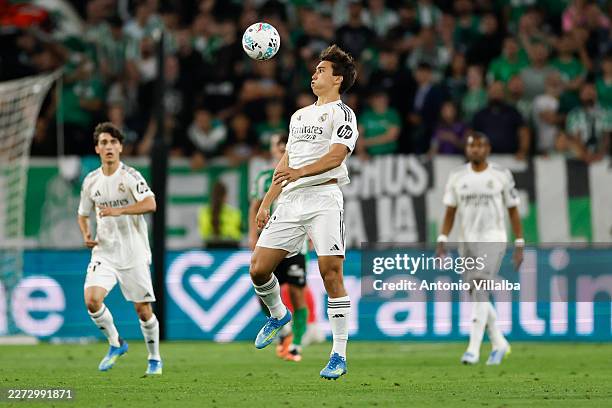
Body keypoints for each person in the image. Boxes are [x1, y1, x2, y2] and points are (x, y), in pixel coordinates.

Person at [249, 44, 358, 380]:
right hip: (291, 200)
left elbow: (336, 156)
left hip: (324, 197)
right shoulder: (298, 116)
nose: (314, 74)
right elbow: (285, 163)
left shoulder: (343, 114)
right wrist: (267, 201)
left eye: (322, 70)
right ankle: (278, 314)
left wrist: (301, 172)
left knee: (330, 273)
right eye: (315, 69)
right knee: (258, 269)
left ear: (337, 79)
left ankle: (338, 354)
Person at [77, 122, 161, 375]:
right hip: (104, 251)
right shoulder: (91, 181)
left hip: (133, 252)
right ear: (97, 149)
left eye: (113, 142)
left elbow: (150, 203)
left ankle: (154, 358)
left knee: (142, 310)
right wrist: (86, 234)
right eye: (104, 143)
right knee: (92, 300)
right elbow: (82, 213)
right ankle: (116, 343)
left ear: (121, 147)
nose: (109, 147)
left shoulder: (130, 176)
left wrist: (120, 210)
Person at [437, 131, 524, 366]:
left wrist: (519, 242)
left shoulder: (501, 175)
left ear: (488, 149)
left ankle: (473, 349)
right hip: (467, 241)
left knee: (480, 284)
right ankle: (499, 342)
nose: (475, 149)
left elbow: (513, 209)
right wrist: (442, 238)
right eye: (471, 146)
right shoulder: (457, 176)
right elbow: (450, 211)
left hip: (494, 237)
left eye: (480, 145)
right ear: (467, 149)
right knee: (476, 292)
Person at [249, 133, 309, 362]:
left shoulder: (302, 173)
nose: (282, 148)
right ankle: (283, 327)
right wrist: (252, 236)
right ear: (273, 150)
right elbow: (255, 206)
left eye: (285, 144)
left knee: (296, 292)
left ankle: (296, 344)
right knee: (262, 286)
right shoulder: (265, 178)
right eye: (278, 145)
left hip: (297, 243)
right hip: (271, 242)